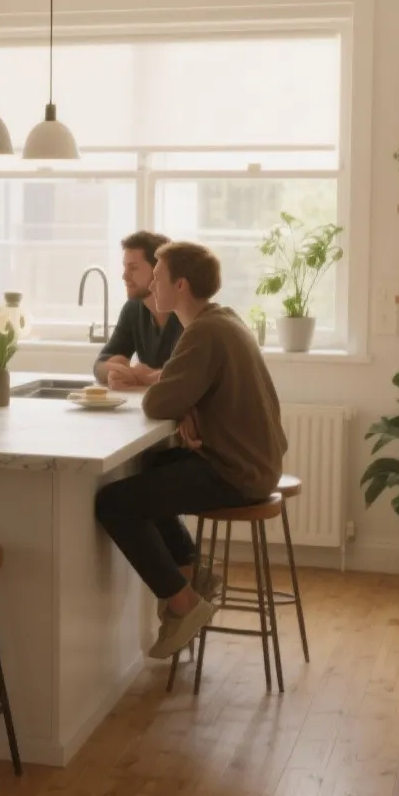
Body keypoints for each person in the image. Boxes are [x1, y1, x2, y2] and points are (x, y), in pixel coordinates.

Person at [94, 241, 287, 659]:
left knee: (114, 502)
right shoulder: (221, 320)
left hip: (236, 473)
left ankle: (184, 606)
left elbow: (158, 403)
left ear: (179, 284)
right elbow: (182, 393)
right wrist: (185, 400)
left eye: (157, 277)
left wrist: (169, 393)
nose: (150, 287)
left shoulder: (203, 332)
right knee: (152, 462)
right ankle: (190, 575)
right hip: (253, 463)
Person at [94, 231, 185, 389]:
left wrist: (144, 377)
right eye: (125, 267)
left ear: (159, 269)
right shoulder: (133, 309)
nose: (124, 276)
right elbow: (100, 364)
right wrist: (115, 371)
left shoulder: (186, 313)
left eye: (133, 268)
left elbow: (188, 377)